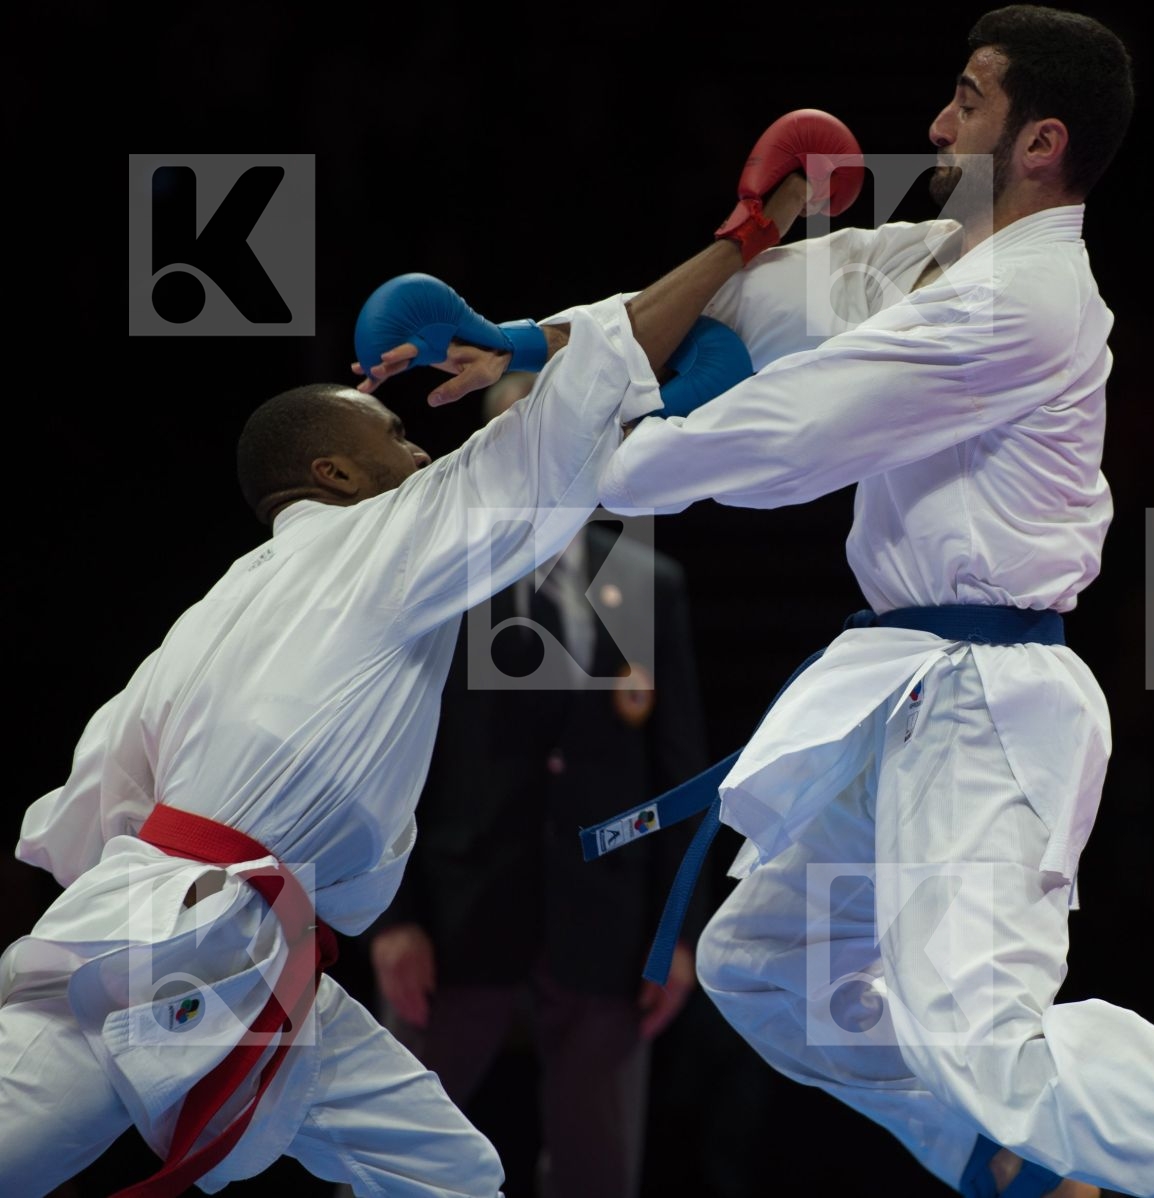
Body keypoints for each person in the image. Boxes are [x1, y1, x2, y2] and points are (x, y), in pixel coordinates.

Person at [506, 8, 1154, 1197]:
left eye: (968, 100)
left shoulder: (1019, 303)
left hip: (991, 700)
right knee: (759, 961)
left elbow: (796, 427)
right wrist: (531, 345)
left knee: (986, 1035)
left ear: (1041, 139)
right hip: (907, 688)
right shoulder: (937, 261)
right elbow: (767, 301)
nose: (937, 126)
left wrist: (602, 462)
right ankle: (1002, 1158)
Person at [0, 151, 819, 1196]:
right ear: (335, 472)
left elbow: (90, 799)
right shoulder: (384, 538)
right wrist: (742, 240)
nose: (424, 454)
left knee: (452, 1174)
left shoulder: (210, 610)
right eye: (395, 434)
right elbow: (576, 402)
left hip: (246, 948)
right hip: (164, 948)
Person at [366, 372, 707, 1198]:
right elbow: (383, 760)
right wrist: (394, 918)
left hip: (607, 927)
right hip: (452, 918)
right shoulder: (439, 578)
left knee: (597, 1173)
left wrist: (678, 935)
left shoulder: (640, 581)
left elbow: (681, 774)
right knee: (390, 1159)